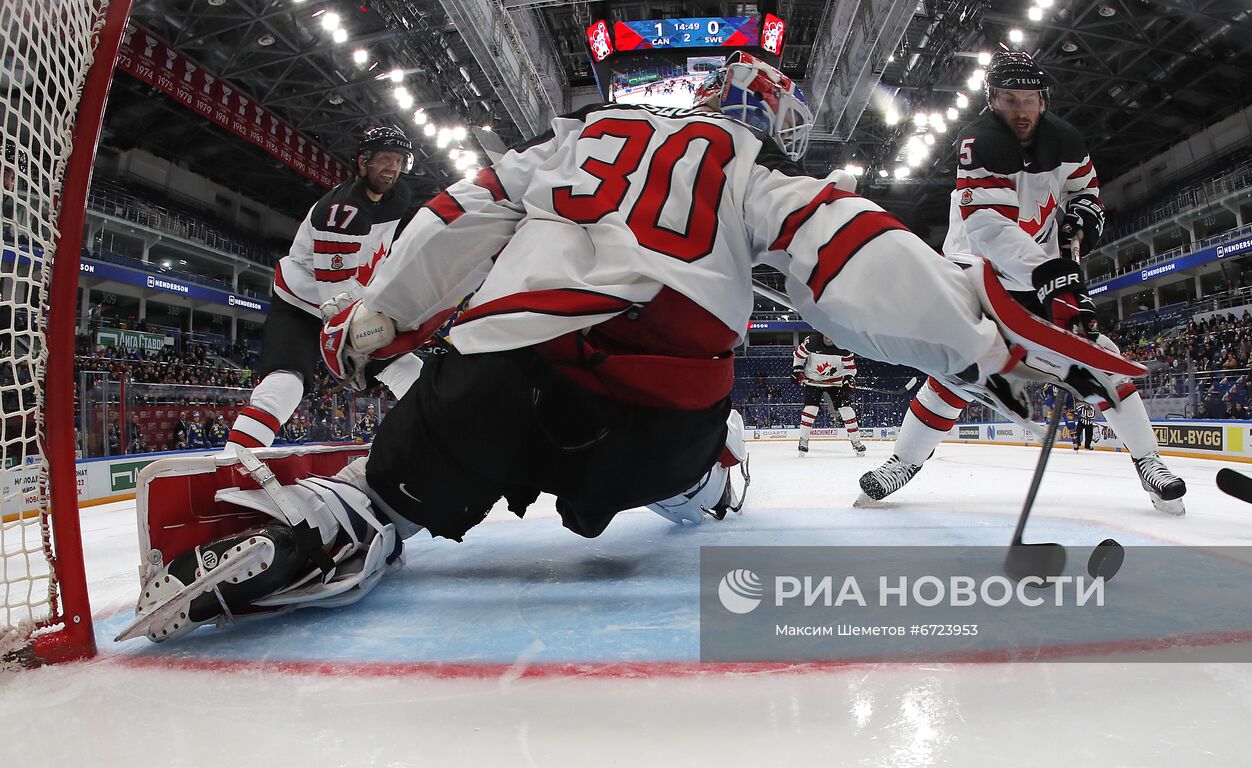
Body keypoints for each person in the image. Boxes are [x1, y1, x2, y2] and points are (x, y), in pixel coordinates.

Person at [118, 51, 1143, 642]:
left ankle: (327, 526)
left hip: (494, 374)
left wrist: (377, 316)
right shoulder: (750, 174)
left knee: (397, 482)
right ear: (761, 117)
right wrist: (973, 351)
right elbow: (853, 262)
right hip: (654, 418)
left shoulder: (573, 140)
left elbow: (455, 216)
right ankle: (712, 484)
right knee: (708, 457)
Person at [858, 50, 1187, 515]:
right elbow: (990, 228)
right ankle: (903, 462)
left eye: (1028, 99)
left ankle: (1150, 463)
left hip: (1040, 278)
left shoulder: (1066, 141)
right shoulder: (981, 143)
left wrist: (1083, 219)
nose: (1020, 109)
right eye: (1009, 99)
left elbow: (1084, 194)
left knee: (1104, 364)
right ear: (992, 100)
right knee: (955, 375)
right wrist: (1055, 277)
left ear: (1043, 100)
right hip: (979, 275)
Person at [224, 127, 423, 451]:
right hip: (303, 305)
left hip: (350, 299)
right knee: (285, 384)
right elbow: (337, 297)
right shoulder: (342, 212)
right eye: (385, 159)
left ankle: (440, 441)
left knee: (407, 367)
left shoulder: (398, 195)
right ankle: (234, 461)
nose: (393, 168)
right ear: (362, 162)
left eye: (399, 160)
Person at [791, 334, 865, 456]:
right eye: (826, 335)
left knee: (847, 410)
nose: (829, 338)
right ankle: (803, 441)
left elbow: (850, 368)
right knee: (810, 409)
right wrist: (797, 370)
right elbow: (798, 357)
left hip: (836, 382)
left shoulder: (845, 345)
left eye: (831, 335)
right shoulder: (812, 342)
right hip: (813, 380)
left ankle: (856, 441)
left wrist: (848, 378)